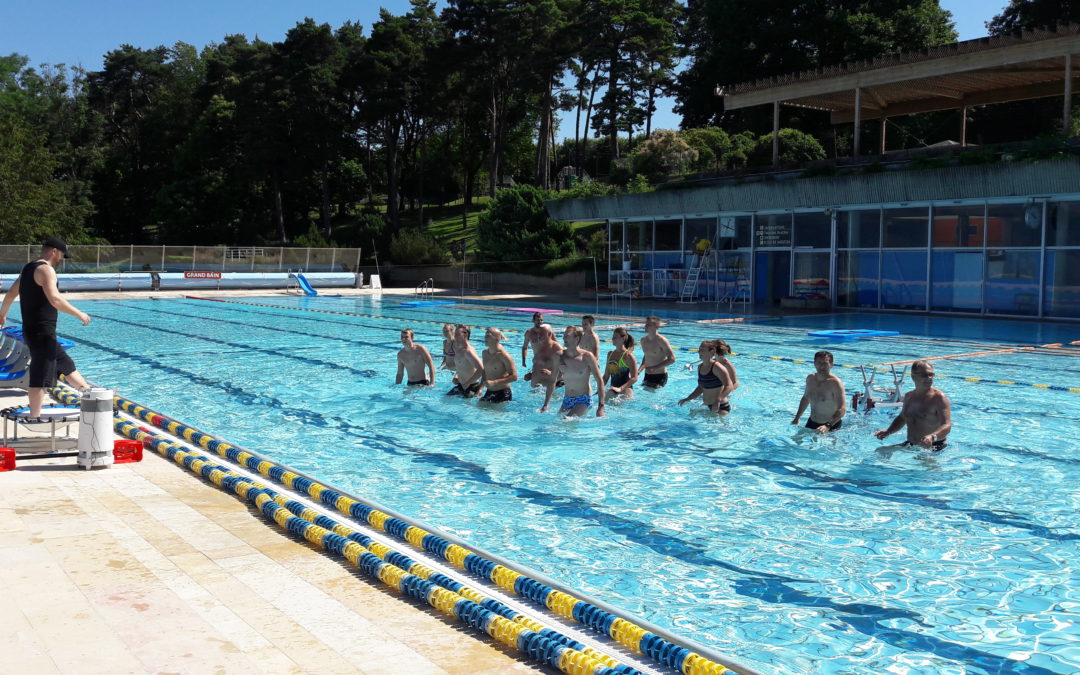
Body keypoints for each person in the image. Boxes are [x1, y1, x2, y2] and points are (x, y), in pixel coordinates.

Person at [0, 237, 91, 417]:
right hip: (42, 332)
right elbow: (55, 299)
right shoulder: (46, 270)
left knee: (66, 364)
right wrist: (79, 314)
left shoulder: (28, 268)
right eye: (62, 255)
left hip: (33, 330)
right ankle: (35, 417)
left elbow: (11, 294)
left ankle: (90, 394)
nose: (61, 260)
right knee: (40, 377)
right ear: (54, 251)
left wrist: (2, 314)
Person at [874, 360, 953, 450]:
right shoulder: (909, 396)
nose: (929, 378)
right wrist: (888, 432)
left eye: (931, 375)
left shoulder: (938, 398)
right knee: (881, 451)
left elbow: (947, 425)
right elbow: (903, 418)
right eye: (924, 375)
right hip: (911, 445)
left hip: (934, 447)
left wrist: (932, 437)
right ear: (913, 377)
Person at [549, 326, 605, 417]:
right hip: (567, 399)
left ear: (576, 338)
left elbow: (600, 381)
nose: (563, 338)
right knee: (556, 423)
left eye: (567, 336)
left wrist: (601, 407)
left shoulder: (587, 356)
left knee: (565, 422)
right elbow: (553, 380)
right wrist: (546, 404)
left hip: (583, 399)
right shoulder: (561, 356)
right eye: (564, 335)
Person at [791, 350, 845, 432]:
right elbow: (806, 398)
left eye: (825, 363)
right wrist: (797, 418)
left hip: (831, 425)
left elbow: (842, 409)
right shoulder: (810, 379)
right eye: (819, 363)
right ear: (814, 364)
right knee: (796, 442)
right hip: (812, 422)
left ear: (831, 365)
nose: (821, 366)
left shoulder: (835, 383)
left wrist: (827, 426)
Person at [678, 340, 734, 413]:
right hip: (707, 406)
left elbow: (729, 386)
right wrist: (688, 398)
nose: (699, 352)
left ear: (712, 351)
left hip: (720, 407)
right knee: (691, 415)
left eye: (702, 350)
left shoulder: (717, 367)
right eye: (699, 349)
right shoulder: (700, 367)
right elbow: (701, 387)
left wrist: (718, 400)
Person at [479, 327, 517, 404]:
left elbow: (514, 377)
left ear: (497, 339)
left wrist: (494, 382)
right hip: (489, 391)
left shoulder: (504, 356)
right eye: (485, 335)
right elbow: (484, 371)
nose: (485, 338)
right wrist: (480, 388)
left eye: (488, 336)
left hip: (503, 393)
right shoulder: (485, 353)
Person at [532, 324, 564, 409]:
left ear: (549, 334)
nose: (539, 336)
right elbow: (537, 365)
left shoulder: (557, 349)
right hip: (538, 389)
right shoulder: (539, 347)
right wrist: (531, 374)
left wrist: (552, 373)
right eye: (538, 333)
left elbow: (566, 370)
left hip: (554, 391)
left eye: (542, 333)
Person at [447, 324, 483, 397]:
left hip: (471, 387)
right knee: (444, 400)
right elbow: (462, 366)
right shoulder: (459, 350)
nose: (455, 336)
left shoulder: (468, 351)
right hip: (461, 385)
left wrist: (468, 383)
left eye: (457, 334)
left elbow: (481, 369)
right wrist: (456, 375)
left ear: (465, 335)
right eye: (455, 334)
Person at [639, 315, 675, 389]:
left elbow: (672, 359)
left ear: (656, 327)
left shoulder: (661, 340)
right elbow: (646, 356)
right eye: (646, 324)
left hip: (660, 376)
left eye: (648, 325)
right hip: (647, 375)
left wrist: (654, 368)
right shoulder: (643, 340)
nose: (645, 326)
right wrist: (639, 370)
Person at [604, 326, 638, 399]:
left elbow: (634, 378)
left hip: (625, 389)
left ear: (623, 339)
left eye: (615, 337)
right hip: (613, 389)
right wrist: (600, 388)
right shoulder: (610, 354)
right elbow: (606, 376)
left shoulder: (628, 356)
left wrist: (620, 389)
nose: (613, 339)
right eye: (613, 337)